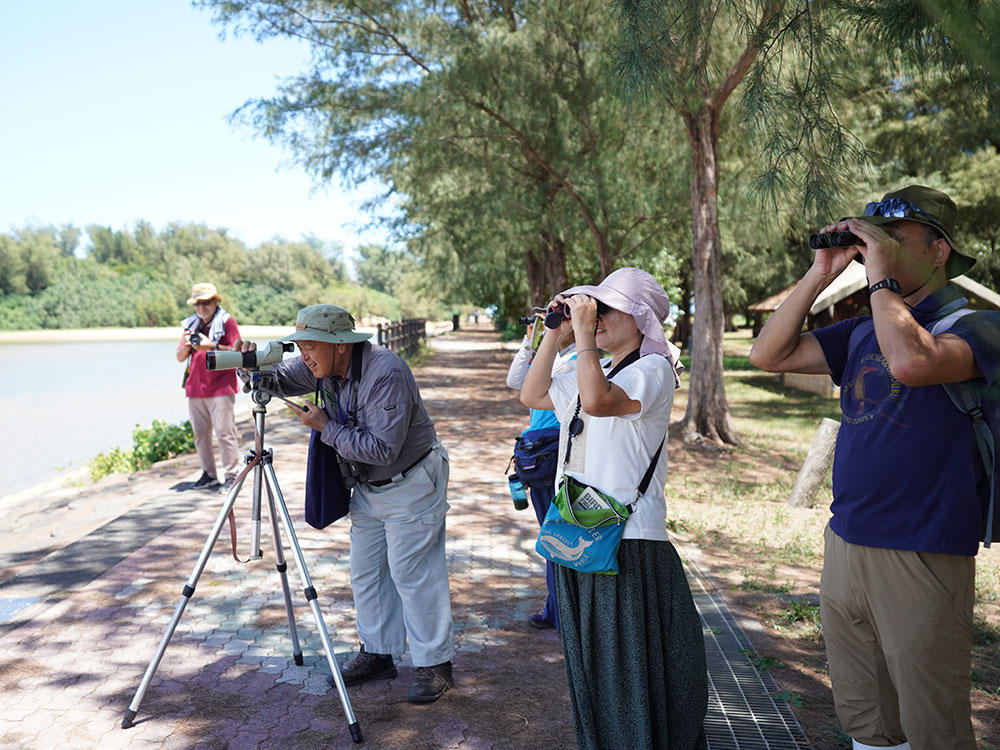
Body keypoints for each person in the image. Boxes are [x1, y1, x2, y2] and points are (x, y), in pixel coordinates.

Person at [749, 185, 1000, 750]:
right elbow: (767, 356)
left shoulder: (979, 327)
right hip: (847, 540)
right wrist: (820, 272)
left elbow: (913, 362)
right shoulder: (864, 329)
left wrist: (881, 279)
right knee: (867, 721)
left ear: (939, 251)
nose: (874, 253)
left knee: (934, 728)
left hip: (924, 548)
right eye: (869, 241)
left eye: (893, 240)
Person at [520, 267, 708, 750]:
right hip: (580, 535)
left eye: (608, 309)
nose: (597, 317)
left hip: (629, 544)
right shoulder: (591, 367)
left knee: (628, 672)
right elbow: (532, 394)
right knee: (595, 671)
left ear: (642, 318)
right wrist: (555, 333)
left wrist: (582, 335)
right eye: (594, 308)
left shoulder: (654, 370)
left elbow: (599, 404)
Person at [234, 304, 455, 704]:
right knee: (366, 573)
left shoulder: (385, 372)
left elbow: (383, 449)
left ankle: (434, 664)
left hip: (411, 480)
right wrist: (247, 366)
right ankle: (379, 652)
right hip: (368, 487)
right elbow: (275, 381)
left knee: (413, 574)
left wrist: (325, 427)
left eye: (311, 346)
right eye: (300, 346)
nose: (304, 355)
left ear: (339, 346)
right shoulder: (319, 364)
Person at [506, 319, 576, 629]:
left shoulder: (577, 362)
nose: (557, 326)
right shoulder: (556, 357)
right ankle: (554, 608)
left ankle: (560, 613)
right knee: (551, 537)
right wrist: (530, 341)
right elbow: (515, 381)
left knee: (555, 538)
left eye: (564, 320)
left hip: (554, 455)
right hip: (538, 454)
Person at [176, 282, 242, 493]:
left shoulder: (227, 322)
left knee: (225, 432)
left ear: (215, 302)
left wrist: (210, 346)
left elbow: (236, 352)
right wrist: (188, 346)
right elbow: (179, 357)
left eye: (206, 303)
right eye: (197, 304)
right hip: (195, 387)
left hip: (221, 386)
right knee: (200, 434)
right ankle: (209, 475)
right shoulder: (191, 325)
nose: (201, 308)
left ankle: (232, 476)